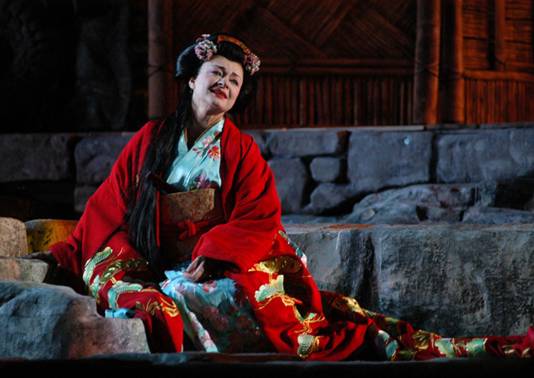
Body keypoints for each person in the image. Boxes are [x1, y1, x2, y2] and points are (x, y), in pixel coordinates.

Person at [32, 33, 533, 360]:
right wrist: (89, 253)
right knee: (138, 293)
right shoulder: (150, 139)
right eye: (217, 75)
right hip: (153, 255)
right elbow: (111, 201)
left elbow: (259, 216)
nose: (225, 83)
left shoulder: (241, 151)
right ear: (191, 80)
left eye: (234, 79)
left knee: (236, 298)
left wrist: (214, 254)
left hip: (213, 261)